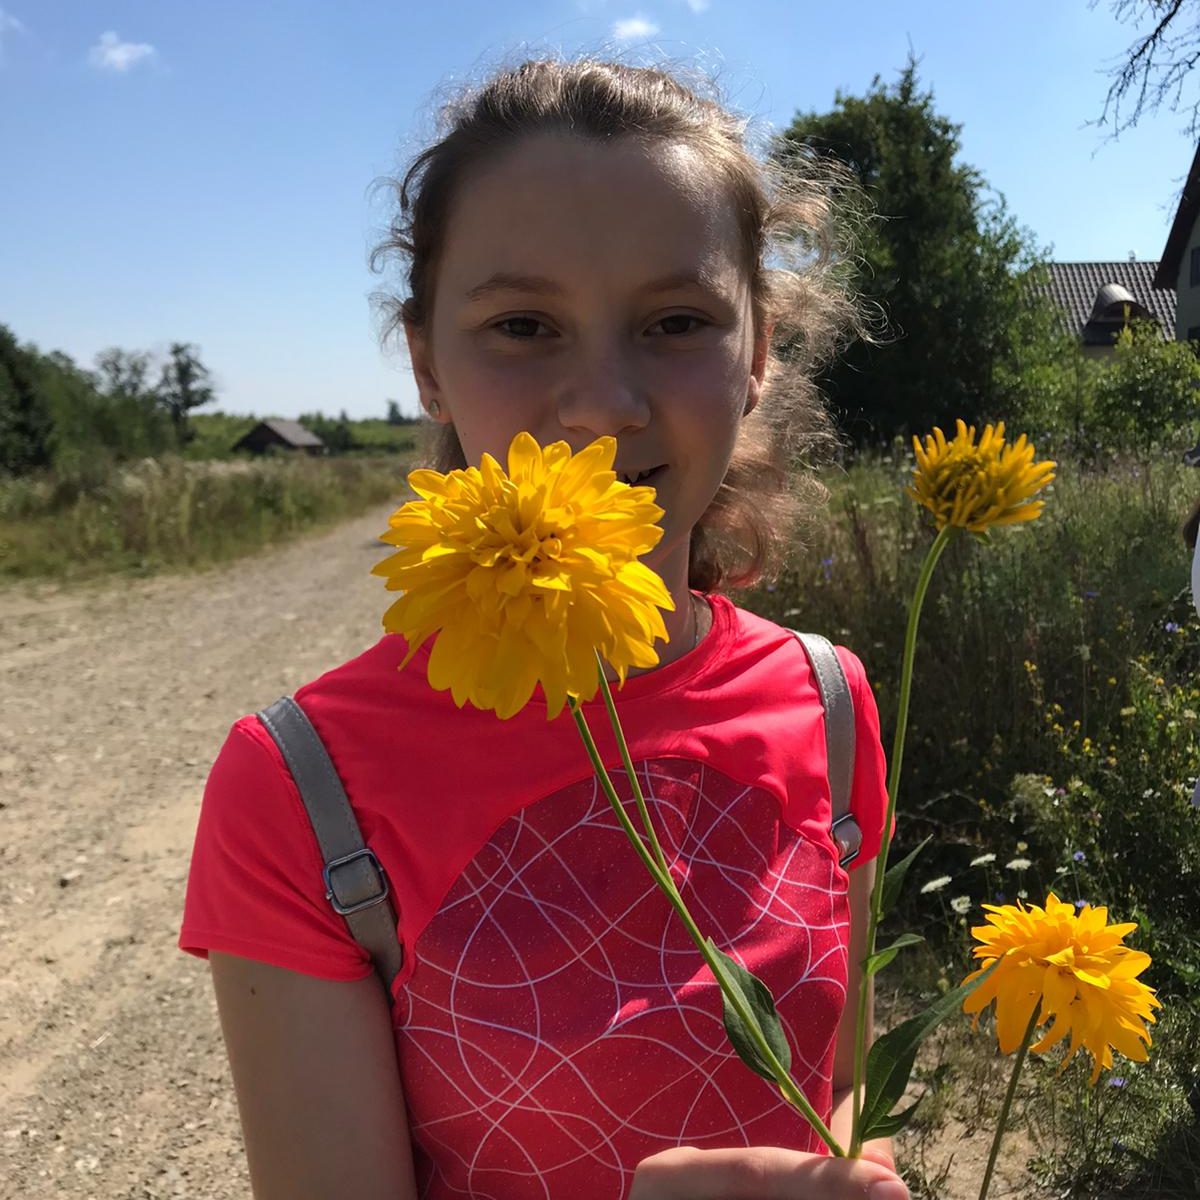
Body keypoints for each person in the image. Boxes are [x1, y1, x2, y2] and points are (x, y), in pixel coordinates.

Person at [178, 57, 909, 1200]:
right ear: (426, 364)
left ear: (758, 354)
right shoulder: (297, 786)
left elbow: (838, 1081)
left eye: (677, 320)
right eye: (523, 324)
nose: (604, 402)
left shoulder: (830, 699)